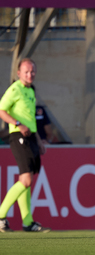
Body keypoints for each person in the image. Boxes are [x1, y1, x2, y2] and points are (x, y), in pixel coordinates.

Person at [0, 58, 50, 232]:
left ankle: (27, 222)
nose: (30, 74)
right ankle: (0, 215)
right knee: (26, 179)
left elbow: (31, 120)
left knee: (26, 179)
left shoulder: (31, 91)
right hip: (18, 136)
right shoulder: (15, 89)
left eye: (32, 71)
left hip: (30, 138)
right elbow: (1, 110)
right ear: (19, 73)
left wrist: (38, 140)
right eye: (26, 71)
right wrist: (17, 123)